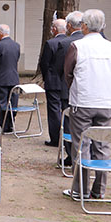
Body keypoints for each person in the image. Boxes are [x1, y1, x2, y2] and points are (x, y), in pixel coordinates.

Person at [63, 9, 111, 200]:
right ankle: (99, 189)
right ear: (103, 26)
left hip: (83, 102)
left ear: (84, 26)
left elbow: (68, 73)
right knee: (102, 144)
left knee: (81, 145)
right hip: (105, 102)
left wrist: (76, 89)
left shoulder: (77, 46)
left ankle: (81, 189)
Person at [54, 10, 84, 165]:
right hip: (89, 93)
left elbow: (60, 68)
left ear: (70, 26)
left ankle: (71, 156)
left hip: (68, 89)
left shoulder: (65, 43)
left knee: (68, 124)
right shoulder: (94, 41)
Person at [40, 18, 67, 146]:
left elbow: (44, 63)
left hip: (53, 81)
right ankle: (67, 137)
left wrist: (47, 77)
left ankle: (55, 138)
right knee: (65, 108)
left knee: (54, 110)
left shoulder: (50, 43)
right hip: (66, 82)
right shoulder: (70, 42)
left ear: (55, 29)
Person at [0, 24, 20, 132]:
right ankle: (10, 124)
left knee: (1, 103)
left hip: (0, 78)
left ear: (0, 33)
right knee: (13, 103)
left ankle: (1, 125)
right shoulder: (16, 45)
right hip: (13, 78)